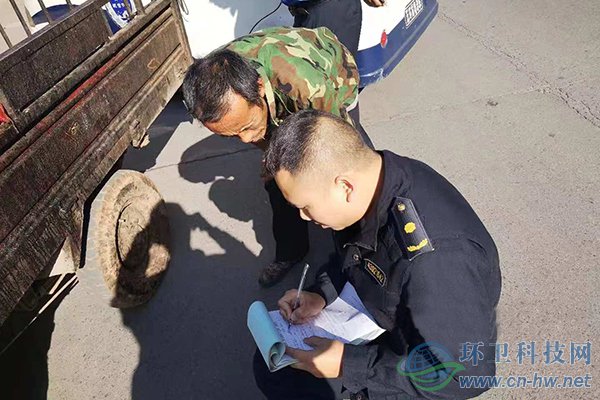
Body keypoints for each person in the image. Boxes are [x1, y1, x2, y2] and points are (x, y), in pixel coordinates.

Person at [255, 110, 502, 399]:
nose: (303, 218)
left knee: (300, 381)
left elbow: (468, 376)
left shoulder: (436, 262)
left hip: (413, 355)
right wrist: (321, 294)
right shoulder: (374, 180)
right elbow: (354, 257)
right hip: (378, 311)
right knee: (272, 362)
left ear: (345, 187)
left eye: (306, 207)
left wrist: (348, 364)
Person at [182, 26, 373, 288]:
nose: (246, 140)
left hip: (332, 73)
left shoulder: (307, 87)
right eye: (232, 135)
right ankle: (291, 252)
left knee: (344, 177)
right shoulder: (212, 81)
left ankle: (360, 251)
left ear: (259, 88)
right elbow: (259, 139)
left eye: (247, 127)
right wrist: (275, 163)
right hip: (275, 97)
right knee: (278, 181)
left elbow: (338, 145)